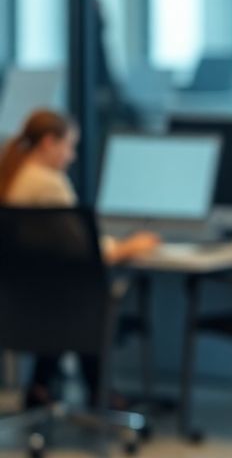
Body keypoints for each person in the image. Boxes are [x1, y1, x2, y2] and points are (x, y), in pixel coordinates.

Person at [0, 109, 161, 408]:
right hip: (61, 305)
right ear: (49, 142)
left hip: (19, 307)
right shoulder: (47, 183)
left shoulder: (12, 175)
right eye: (70, 146)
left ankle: (40, 387)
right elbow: (85, 251)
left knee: (65, 296)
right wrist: (130, 246)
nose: (72, 156)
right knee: (92, 296)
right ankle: (99, 394)